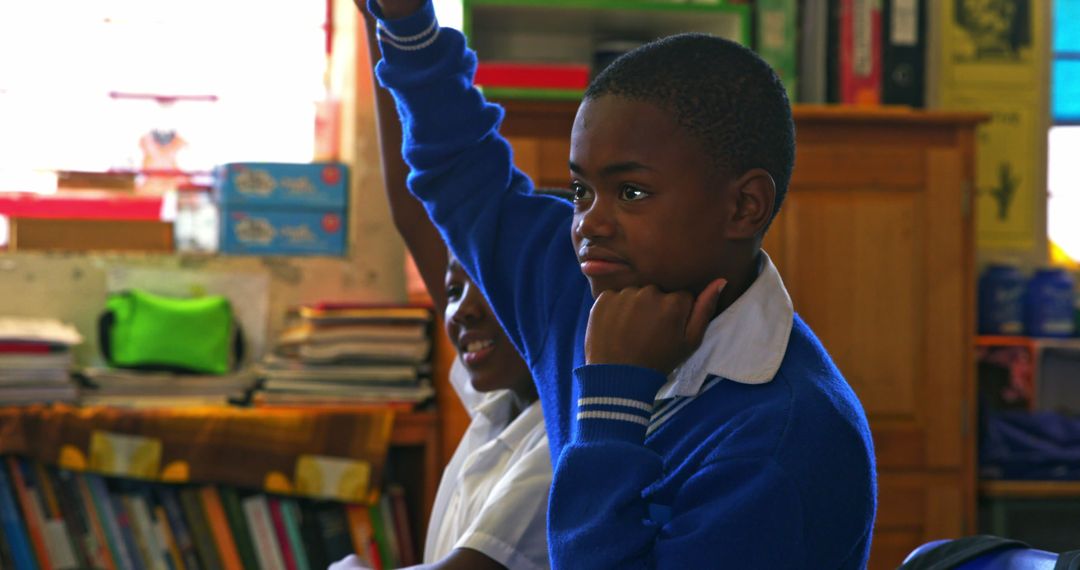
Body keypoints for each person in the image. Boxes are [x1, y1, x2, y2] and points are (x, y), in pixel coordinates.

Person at [364, 0, 878, 567]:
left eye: (630, 192)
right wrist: (407, 22)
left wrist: (613, 397)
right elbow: (460, 167)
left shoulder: (790, 437)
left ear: (744, 206)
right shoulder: (577, 286)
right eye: (582, 191)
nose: (588, 223)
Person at [330, 12, 552, 570]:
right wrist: (374, 21)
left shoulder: (559, 442)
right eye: (453, 289)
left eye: (490, 290)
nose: (463, 311)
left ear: (548, 301)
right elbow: (414, 209)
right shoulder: (499, 404)